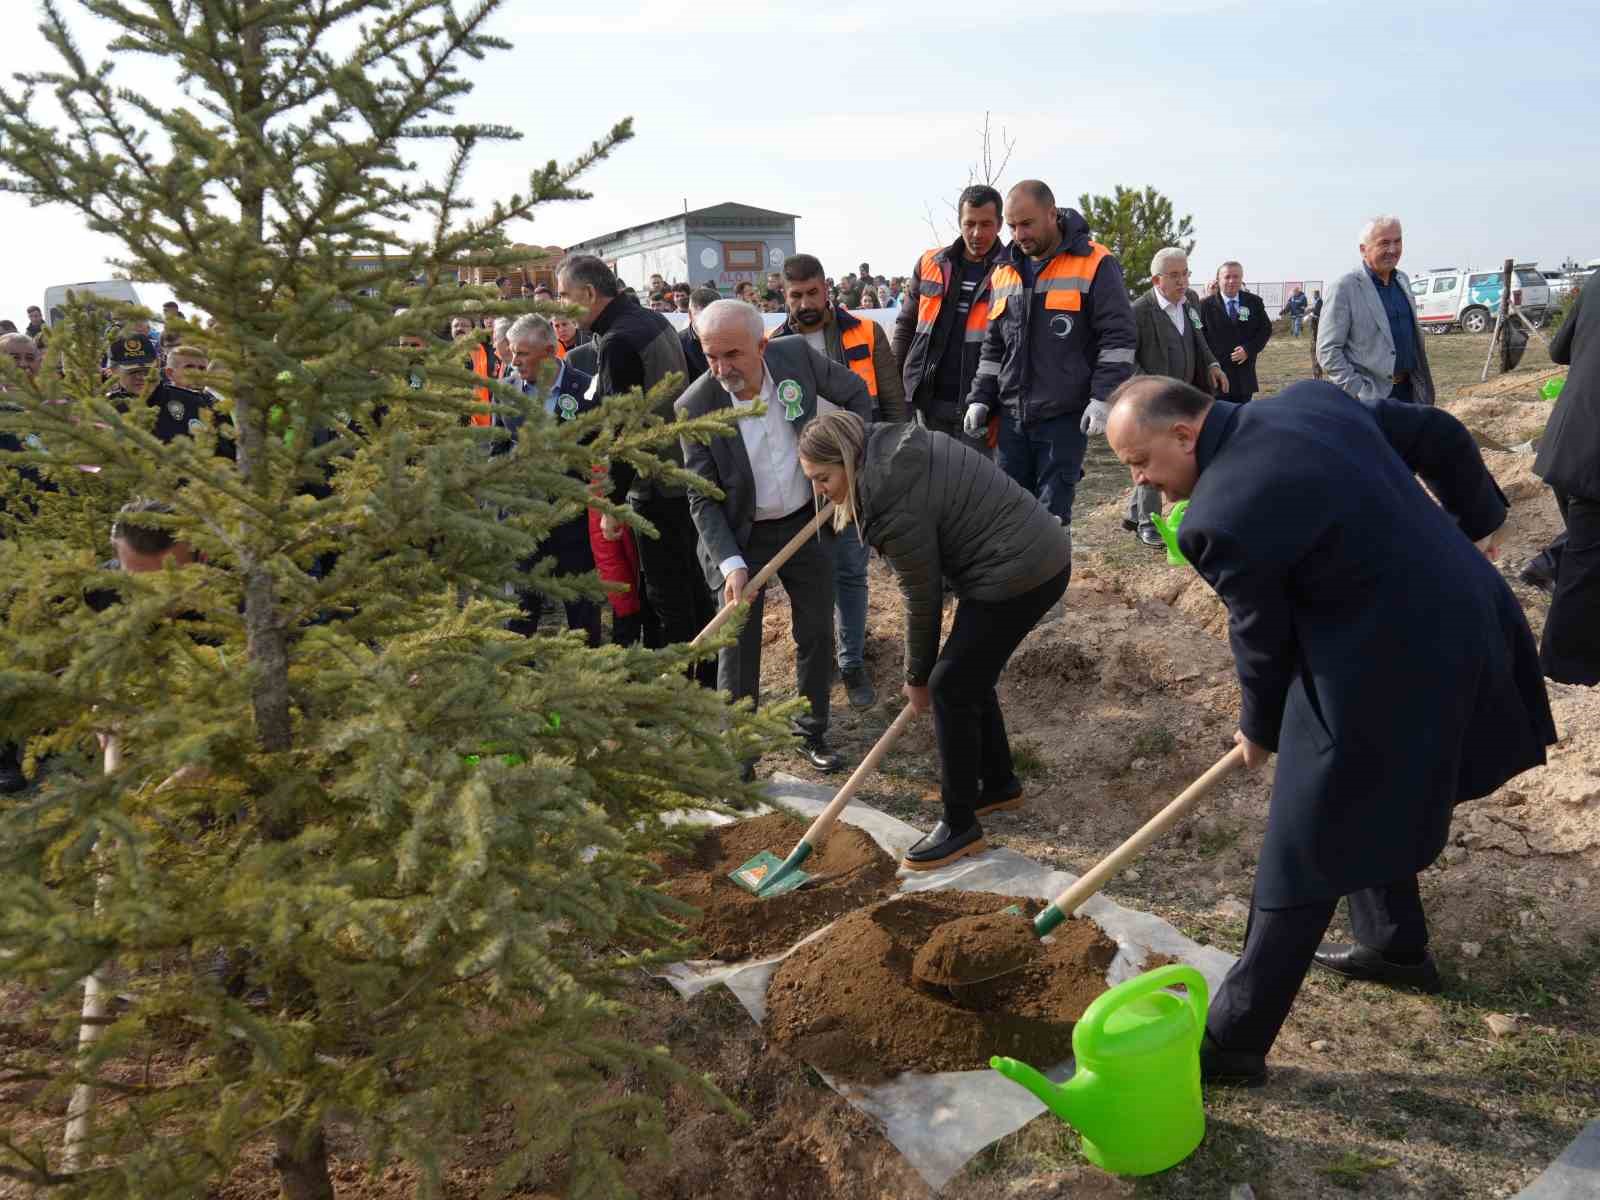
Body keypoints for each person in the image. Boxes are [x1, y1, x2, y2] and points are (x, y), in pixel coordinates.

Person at [1104, 376, 1556, 1085]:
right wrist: (1478, 524)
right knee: (1357, 794)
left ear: (1184, 434)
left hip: (1392, 661)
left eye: (1141, 463)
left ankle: (1231, 1044)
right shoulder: (1310, 400)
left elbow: (1261, 641)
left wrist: (1259, 729)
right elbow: (1436, 431)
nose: (1141, 482)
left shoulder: (1216, 516)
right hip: (1468, 612)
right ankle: (1394, 946)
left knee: (1304, 840)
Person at [798, 410, 1070, 868]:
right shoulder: (888, 445)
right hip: (1028, 554)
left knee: (950, 685)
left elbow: (921, 597)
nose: (820, 491)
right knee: (969, 674)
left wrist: (917, 676)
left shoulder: (887, 495)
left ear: (847, 458)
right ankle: (998, 783)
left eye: (823, 478)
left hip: (1019, 569)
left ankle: (959, 823)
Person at [677, 301, 876, 773]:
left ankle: (812, 732)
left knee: (814, 632)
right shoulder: (695, 406)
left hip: (809, 523)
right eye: (711, 357)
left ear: (762, 346)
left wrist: (849, 463)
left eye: (733, 355)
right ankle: (740, 753)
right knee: (737, 645)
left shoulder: (795, 359)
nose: (722, 369)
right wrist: (730, 564)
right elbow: (701, 499)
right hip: (742, 536)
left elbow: (855, 394)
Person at [556, 254, 714, 683]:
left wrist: (611, 504)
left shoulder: (619, 341)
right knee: (693, 585)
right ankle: (708, 675)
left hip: (656, 485)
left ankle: (684, 685)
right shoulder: (652, 321)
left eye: (565, 297)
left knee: (668, 593)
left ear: (589, 294)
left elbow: (622, 430)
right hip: (683, 472)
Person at [770, 253, 908, 711]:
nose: (806, 303)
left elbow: (892, 407)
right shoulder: (772, 347)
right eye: (796, 295)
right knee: (812, 579)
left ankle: (852, 663)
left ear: (826, 288)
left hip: (856, 476)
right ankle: (820, 659)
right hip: (802, 484)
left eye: (813, 292)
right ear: (783, 295)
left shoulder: (866, 334)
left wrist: (886, 470)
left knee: (851, 572)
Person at [966, 179, 1136, 528]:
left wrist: (1103, 397)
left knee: (1051, 517)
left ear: (1052, 214)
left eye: (1026, 224)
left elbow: (1118, 338)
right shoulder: (1005, 270)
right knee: (1009, 514)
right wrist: (980, 397)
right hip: (1012, 417)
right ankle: (1015, 583)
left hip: (1064, 417)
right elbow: (994, 345)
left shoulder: (1095, 263)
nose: (1018, 234)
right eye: (1012, 226)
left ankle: (1048, 583)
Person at [499, 314, 602, 646]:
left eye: (523, 354)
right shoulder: (507, 389)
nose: (514, 361)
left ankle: (591, 681)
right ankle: (513, 677)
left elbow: (600, 450)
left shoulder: (586, 387)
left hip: (573, 519)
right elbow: (499, 444)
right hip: (524, 518)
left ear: (548, 350)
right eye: (512, 352)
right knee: (519, 608)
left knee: (581, 609)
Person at [893, 183, 1009, 455]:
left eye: (986, 224)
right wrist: (899, 389)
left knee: (976, 491)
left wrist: (1002, 409)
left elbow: (1016, 348)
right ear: (959, 222)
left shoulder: (1012, 270)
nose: (977, 233)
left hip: (981, 407)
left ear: (1000, 224)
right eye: (969, 224)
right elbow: (906, 327)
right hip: (928, 404)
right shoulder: (930, 263)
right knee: (933, 489)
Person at [1123, 247, 1227, 547]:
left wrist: (1212, 364)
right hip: (1151, 401)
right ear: (1157, 280)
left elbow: (1198, 337)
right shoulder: (1138, 312)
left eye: (1185, 274)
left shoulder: (1190, 301)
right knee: (1154, 457)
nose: (1182, 281)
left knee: (1172, 454)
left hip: (1185, 394)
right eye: (1174, 275)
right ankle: (1147, 523)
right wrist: (1150, 390)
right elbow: (1127, 359)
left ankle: (1134, 512)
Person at [1532, 268, 1600, 683]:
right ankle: (1562, 672)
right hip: (1593, 458)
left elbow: (1559, 349)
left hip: (1565, 444)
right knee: (1586, 565)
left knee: (1584, 552)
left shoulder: (1596, 281)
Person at [1317, 216, 1435, 404]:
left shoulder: (1402, 280)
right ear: (1363, 249)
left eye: (1398, 241)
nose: (1393, 250)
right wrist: (1358, 391)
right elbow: (1328, 351)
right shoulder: (1345, 288)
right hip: (1371, 399)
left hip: (1410, 392)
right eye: (1384, 243)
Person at [1199, 262, 1272, 404]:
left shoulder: (1254, 302)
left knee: (1242, 420)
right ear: (1218, 280)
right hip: (1218, 378)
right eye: (1227, 277)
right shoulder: (1205, 306)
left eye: (1236, 277)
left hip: (1244, 378)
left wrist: (1248, 349)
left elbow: (1265, 330)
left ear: (1241, 278)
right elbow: (1200, 338)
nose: (1232, 281)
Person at [679, 286, 719, 384]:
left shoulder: (732, 337)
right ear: (690, 315)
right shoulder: (677, 343)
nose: (709, 323)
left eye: (714, 317)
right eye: (703, 318)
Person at [1308, 290, 1324, 380]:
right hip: (1315, 336)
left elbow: (1317, 315)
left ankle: (1317, 374)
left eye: (1314, 294)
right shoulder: (1317, 302)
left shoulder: (1319, 302)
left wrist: (1312, 315)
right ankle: (1316, 374)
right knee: (1314, 356)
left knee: (1315, 356)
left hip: (1317, 336)